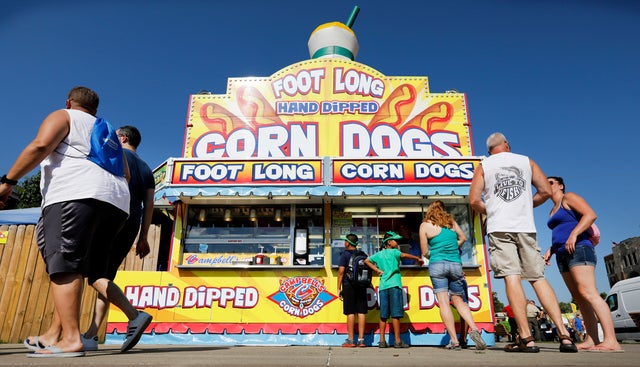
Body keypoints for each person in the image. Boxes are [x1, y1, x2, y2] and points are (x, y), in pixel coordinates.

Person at [0, 87, 139, 357]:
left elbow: (40, 145)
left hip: (75, 194)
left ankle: (72, 339)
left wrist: (9, 181)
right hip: (117, 204)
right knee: (74, 267)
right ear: (95, 109)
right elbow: (126, 174)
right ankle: (55, 334)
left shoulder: (65, 116)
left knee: (63, 264)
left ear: (69, 102)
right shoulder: (108, 130)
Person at [468, 132, 577, 353]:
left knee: (512, 277)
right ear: (506, 144)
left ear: (490, 149)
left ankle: (527, 339)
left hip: (499, 227)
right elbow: (545, 191)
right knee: (537, 277)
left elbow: (473, 200)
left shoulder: (485, 166)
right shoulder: (526, 161)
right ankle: (565, 336)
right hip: (525, 226)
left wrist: (493, 211)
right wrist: (526, 205)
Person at [80, 125, 155, 352]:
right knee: (105, 277)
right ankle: (92, 336)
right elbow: (149, 205)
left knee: (93, 275)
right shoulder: (147, 169)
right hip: (132, 224)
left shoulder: (116, 153)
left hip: (111, 218)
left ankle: (134, 315)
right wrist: (143, 236)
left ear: (122, 138)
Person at [544, 176, 622, 352]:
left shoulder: (568, 197)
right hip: (562, 254)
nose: (546, 185)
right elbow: (561, 231)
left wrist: (574, 234)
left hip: (580, 248)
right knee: (579, 298)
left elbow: (590, 214)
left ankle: (611, 340)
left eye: (551, 182)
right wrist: (551, 249)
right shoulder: (552, 210)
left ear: (561, 186)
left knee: (589, 292)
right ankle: (591, 339)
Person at [419, 200, 486, 351]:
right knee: (458, 300)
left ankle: (454, 341)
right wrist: (452, 248)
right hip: (455, 264)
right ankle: (474, 329)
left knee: (443, 302)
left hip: (437, 264)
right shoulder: (451, 222)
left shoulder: (425, 225)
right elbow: (463, 238)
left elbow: (424, 252)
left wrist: (436, 254)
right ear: (443, 209)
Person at [364, 231, 422, 348]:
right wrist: (417, 258)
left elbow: (367, 260)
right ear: (389, 242)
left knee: (383, 315)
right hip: (395, 286)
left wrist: (377, 270)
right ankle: (397, 341)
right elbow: (405, 256)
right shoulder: (395, 252)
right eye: (395, 240)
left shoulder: (379, 254)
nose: (397, 242)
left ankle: (381, 341)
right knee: (395, 315)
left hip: (383, 287)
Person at [337, 233, 368, 347]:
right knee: (361, 311)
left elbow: (341, 272)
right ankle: (361, 340)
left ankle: (351, 340)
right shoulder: (363, 254)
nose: (344, 243)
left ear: (348, 243)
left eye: (345, 241)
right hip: (361, 285)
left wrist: (338, 288)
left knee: (350, 312)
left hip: (349, 285)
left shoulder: (345, 255)